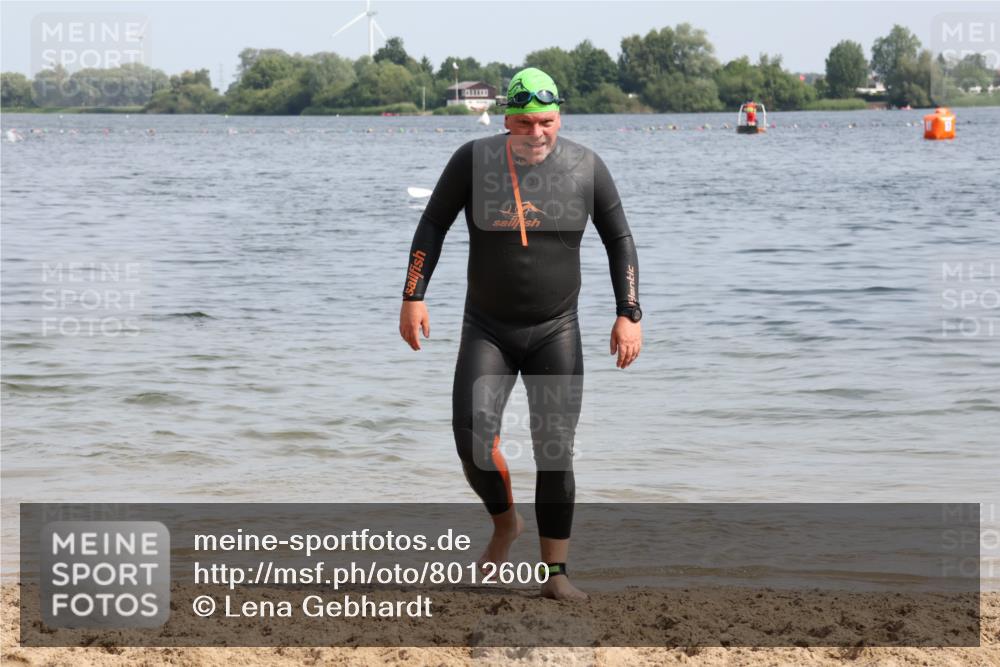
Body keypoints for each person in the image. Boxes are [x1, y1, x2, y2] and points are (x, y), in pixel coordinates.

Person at [399, 67, 642, 601]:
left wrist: (629, 312)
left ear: (560, 118)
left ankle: (555, 575)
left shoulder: (586, 166)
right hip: (487, 327)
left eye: (548, 122)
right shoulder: (473, 160)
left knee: (555, 451)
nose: (537, 134)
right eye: (526, 123)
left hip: (557, 329)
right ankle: (506, 524)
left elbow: (619, 239)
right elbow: (433, 224)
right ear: (507, 119)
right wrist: (413, 296)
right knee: (472, 443)